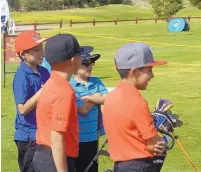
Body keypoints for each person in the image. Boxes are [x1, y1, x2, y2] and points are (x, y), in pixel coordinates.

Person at [103, 42, 168, 172]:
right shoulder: (137, 102)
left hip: (120, 166)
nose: (152, 75)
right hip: (139, 166)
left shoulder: (110, 97)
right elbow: (153, 145)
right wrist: (162, 139)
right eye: (149, 70)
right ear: (134, 71)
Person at [32, 33, 93, 172]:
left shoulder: (52, 82)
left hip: (45, 155)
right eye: (80, 56)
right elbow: (57, 137)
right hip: (54, 158)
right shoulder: (63, 91)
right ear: (73, 60)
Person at [12, 30, 50, 172]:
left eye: (42, 48)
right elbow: (22, 109)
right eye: (36, 50)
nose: (42, 53)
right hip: (28, 136)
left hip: (44, 132)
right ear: (23, 55)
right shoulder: (22, 76)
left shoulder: (44, 72)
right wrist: (42, 92)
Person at [70, 52, 108, 172]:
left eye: (91, 63)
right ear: (75, 66)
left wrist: (89, 98)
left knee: (92, 167)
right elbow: (83, 110)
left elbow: (108, 99)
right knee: (80, 168)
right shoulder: (71, 86)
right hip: (77, 138)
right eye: (85, 63)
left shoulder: (96, 81)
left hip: (93, 136)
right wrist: (96, 96)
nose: (90, 66)